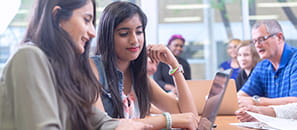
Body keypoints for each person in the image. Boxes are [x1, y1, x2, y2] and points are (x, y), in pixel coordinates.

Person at [0, 0, 151, 129]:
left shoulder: (63, 71)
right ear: (57, 16)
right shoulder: (29, 57)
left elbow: (102, 122)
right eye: (86, 20)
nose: (92, 32)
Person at [90, 1, 198, 129]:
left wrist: (174, 65)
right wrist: (166, 120)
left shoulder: (138, 76)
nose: (134, 40)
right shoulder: (92, 68)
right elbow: (104, 126)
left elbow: (190, 117)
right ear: (108, 36)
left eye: (139, 32)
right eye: (124, 33)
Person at [236, 20, 297, 120]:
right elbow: (241, 97)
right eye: (254, 41)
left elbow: (295, 103)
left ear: (279, 37)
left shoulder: (294, 61)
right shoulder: (262, 66)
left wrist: (256, 101)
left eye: (261, 39)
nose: (257, 45)